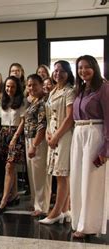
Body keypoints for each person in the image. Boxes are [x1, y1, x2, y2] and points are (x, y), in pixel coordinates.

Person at [70, 55, 109, 238]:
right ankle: (77, 219)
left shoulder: (103, 87)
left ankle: (88, 225)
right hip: (79, 133)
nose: (83, 71)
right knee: (77, 179)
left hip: (95, 133)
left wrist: (105, 148)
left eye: (87, 67)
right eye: (79, 68)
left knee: (91, 181)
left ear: (95, 68)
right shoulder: (80, 89)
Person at [39, 60, 74, 225]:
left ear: (68, 73)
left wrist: (56, 136)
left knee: (62, 175)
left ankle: (56, 212)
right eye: (55, 71)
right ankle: (66, 210)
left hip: (64, 136)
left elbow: (69, 118)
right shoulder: (53, 91)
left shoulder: (70, 91)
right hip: (52, 136)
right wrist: (47, 133)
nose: (57, 74)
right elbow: (49, 116)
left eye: (61, 71)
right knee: (57, 174)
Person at [0, 76, 26, 214]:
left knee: (10, 166)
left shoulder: (22, 101)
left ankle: (4, 200)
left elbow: (22, 121)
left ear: (17, 87)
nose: (9, 89)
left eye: (13, 86)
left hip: (16, 134)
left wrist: (15, 137)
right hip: (4, 134)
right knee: (9, 166)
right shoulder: (2, 101)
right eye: (7, 86)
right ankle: (14, 195)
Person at [24, 74, 51, 217]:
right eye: (29, 85)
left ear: (41, 85)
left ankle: (42, 206)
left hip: (38, 141)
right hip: (29, 139)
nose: (31, 87)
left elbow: (42, 125)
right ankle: (36, 203)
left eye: (34, 84)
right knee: (33, 175)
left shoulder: (43, 102)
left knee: (41, 176)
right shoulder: (33, 101)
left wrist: (34, 145)